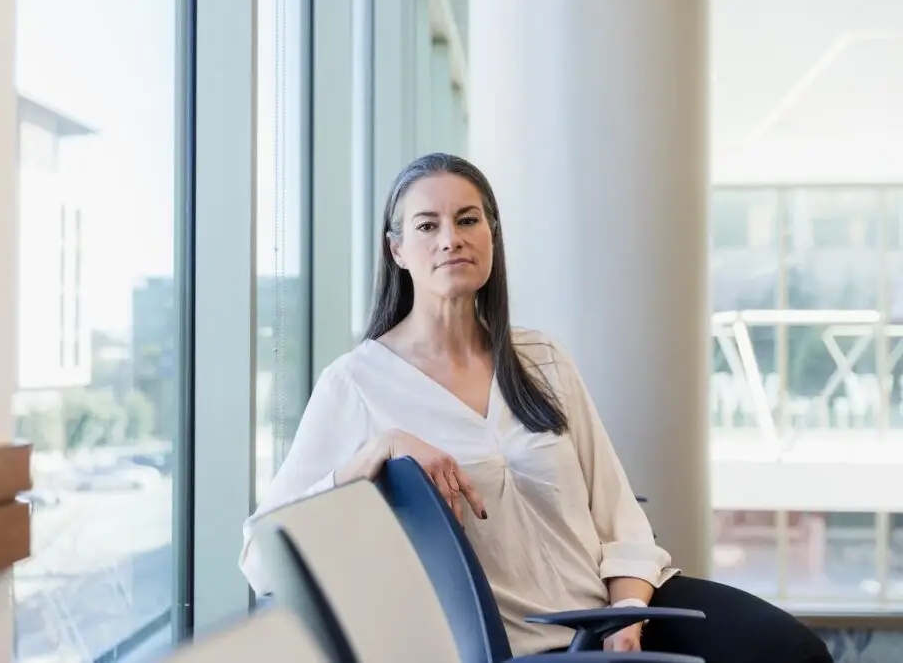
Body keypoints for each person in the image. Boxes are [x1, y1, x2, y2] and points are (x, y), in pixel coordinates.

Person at [240, 153, 832, 663]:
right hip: (527, 642)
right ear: (396, 249)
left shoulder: (541, 358)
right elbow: (261, 559)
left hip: (623, 603)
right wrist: (377, 450)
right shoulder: (356, 383)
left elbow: (617, 512)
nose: (451, 238)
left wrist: (629, 609)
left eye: (468, 220)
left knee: (793, 652)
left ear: (491, 236)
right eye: (428, 225)